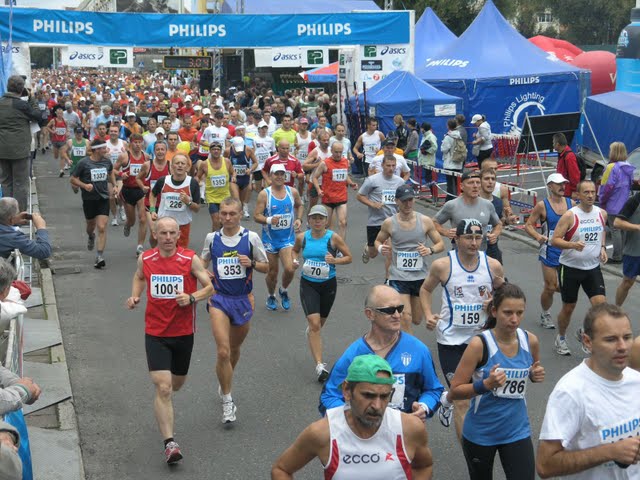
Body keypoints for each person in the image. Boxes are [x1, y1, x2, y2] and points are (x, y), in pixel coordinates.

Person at [126, 216, 213, 465]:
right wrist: (134, 296)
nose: (167, 237)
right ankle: (170, 444)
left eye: (172, 233)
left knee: (176, 384)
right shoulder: (146, 259)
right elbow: (139, 277)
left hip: (183, 332)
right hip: (156, 332)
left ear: (178, 235)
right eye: (162, 233)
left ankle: (165, 403)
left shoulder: (189, 259)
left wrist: (192, 297)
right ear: (155, 234)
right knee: (163, 387)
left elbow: (209, 287)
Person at [274, 354, 433, 479]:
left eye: (384, 396)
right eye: (368, 395)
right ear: (347, 391)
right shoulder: (323, 433)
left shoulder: (409, 428)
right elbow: (281, 470)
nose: (377, 406)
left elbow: (424, 466)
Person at [419, 219, 505, 440]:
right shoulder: (442, 266)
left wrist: (494, 302)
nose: (474, 243)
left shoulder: (493, 265)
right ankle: (470, 451)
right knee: (463, 400)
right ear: (456, 239)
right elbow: (425, 290)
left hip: (482, 341)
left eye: (478, 238)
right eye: (468, 238)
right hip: (451, 341)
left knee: (484, 394)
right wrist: (428, 314)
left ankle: (446, 399)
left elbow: (505, 293)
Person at [449, 283, 545, 480]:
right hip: (481, 433)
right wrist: (485, 385)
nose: (514, 319)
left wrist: (533, 375)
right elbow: (455, 390)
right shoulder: (479, 345)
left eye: (519, 313)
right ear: (494, 311)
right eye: (508, 313)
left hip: (516, 430)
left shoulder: (530, 341)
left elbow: (531, 371)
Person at [537, 303, 640, 479]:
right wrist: (609, 451)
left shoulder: (636, 380)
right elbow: (545, 465)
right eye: (611, 339)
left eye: (627, 337)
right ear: (587, 342)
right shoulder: (570, 392)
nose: (622, 346)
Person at [320, 285, 444, 421]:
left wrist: (424, 407)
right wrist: (347, 418)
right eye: (389, 310)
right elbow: (329, 395)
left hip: (403, 430)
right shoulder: (354, 354)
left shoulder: (418, 350)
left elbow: (433, 389)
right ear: (370, 314)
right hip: (363, 430)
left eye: (400, 309)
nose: (397, 315)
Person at [200, 197, 269, 424]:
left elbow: (266, 267)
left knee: (234, 349)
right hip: (219, 299)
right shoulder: (212, 238)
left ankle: (225, 378)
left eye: (232, 213)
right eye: (224, 213)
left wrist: (252, 263)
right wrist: (203, 274)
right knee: (223, 351)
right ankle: (228, 401)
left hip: (242, 300)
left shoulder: (251, 238)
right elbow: (201, 263)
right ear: (219, 215)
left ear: (240, 215)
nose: (227, 218)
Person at [292, 205, 352, 382]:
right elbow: (294, 250)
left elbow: (349, 257)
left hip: (328, 285)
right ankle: (319, 366)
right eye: (314, 218)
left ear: (326, 221)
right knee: (315, 323)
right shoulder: (302, 237)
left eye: (321, 218)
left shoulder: (333, 238)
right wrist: (294, 260)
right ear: (309, 220)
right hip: (308, 284)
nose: (317, 221)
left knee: (319, 324)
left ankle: (312, 331)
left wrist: (335, 261)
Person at [375, 186, 444, 333]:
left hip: (420, 276)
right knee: (405, 317)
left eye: (410, 200)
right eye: (404, 201)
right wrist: (381, 248)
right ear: (397, 201)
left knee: (417, 319)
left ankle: (403, 338)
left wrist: (429, 250)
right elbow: (378, 240)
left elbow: (440, 244)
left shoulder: (425, 221)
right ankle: (409, 346)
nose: (408, 204)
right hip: (398, 276)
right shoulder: (389, 223)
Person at [550, 180, 607, 356]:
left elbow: (602, 231)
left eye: (593, 192)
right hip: (570, 267)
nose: (590, 195)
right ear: (578, 195)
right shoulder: (570, 215)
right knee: (569, 307)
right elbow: (555, 240)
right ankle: (561, 337)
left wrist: (602, 247)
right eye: (586, 192)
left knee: (600, 307)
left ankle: (584, 332)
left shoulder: (601, 213)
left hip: (592, 268)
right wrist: (572, 245)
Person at [523, 173, 573, 328]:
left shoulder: (571, 203)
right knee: (551, 286)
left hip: (567, 250)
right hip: (549, 249)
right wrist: (538, 236)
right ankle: (545, 314)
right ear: (550, 186)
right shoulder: (542, 205)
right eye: (558, 184)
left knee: (568, 287)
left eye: (564, 184)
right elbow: (528, 225)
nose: (562, 187)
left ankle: (566, 303)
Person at [254, 164, 304, 311]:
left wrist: (299, 219)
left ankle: (283, 290)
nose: (280, 177)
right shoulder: (264, 194)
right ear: (271, 176)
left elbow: (300, 205)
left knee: (290, 268)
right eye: (276, 174)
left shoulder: (292, 192)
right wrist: (269, 220)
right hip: (270, 240)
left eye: (282, 174)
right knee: (272, 273)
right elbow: (256, 216)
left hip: (287, 239)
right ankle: (271, 295)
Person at [70, 139, 119, 269]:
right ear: (97, 149)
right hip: (89, 200)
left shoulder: (107, 161)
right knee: (90, 226)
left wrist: (114, 185)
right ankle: (91, 236)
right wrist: (84, 185)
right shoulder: (83, 163)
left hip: (103, 198)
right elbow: (73, 179)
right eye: (104, 148)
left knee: (102, 227)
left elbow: (111, 173)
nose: (106, 150)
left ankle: (99, 256)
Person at [357, 156, 406, 275]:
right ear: (382, 165)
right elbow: (360, 196)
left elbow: (403, 199)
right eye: (388, 165)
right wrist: (372, 204)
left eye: (393, 166)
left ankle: (389, 279)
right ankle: (367, 248)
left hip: (393, 222)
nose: (391, 168)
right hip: (375, 221)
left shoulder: (400, 182)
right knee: (373, 254)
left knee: (390, 253)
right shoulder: (372, 180)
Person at [433, 170, 502, 254]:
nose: (475, 186)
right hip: (459, 255)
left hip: (482, 254)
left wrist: (494, 235)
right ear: (461, 186)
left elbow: (498, 224)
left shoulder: (488, 205)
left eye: (478, 183)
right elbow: (434, 222)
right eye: (471, 183)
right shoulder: (452, 205)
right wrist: (446, 232)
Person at [150, 154, 201, 249]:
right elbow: (153, 194)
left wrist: (188, 202)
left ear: (187, 167)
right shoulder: (163, 181)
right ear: (172, 166)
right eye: (177, 163)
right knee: (164, 250)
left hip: (182, 225)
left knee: (181, 252)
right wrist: (152, 210)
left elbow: (197, 208)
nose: (180, 165)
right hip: (164, 224)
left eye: (183, 163)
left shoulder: (192, 183)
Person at [311, 141, 358, 240]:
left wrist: (351, 183)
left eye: (340, 152)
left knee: (343, 223)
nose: (338, 154)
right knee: (326, 225)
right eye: (336, 152)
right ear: (331, 151)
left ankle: (341, 246)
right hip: (328, 198)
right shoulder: (325, 163)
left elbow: (345, 175)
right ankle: (325, 243)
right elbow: (314, 177)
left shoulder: (345, 162)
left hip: (341, 197)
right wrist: (318, 189)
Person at [599, 141, 635, 264]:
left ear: (613, 152)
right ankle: (623, 254)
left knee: (615, 229)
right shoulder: (628, 167)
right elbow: (630, 184)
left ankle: (617, 256)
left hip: (613, 203)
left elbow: (606, 187)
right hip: (625, 203)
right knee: (623, 229)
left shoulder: (610, 167)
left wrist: (602, 200)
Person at [114, 133, 149, 254]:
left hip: (141, 190)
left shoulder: (146, 157)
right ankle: (128, 225)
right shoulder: (124, 156)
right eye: (135, 142)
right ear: (130, 143)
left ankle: (140, 246)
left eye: (140, 142)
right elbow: (113, 169)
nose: (138, 145)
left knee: (143, 219)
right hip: (128, 190)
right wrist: (120, 174)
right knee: (132, 221)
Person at [136, 141, 171, 251]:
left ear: (166, 151)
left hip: (165, 204)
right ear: (154, 151)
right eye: (157, 149)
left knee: (163, 230)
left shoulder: (171, 166)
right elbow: (138, 178)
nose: (160, 152)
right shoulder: (147, 165)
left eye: (162, 149)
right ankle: (155, 251)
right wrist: (142, 187)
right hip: (150, 203)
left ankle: (157, 250)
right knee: (154, 230)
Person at [196, 143, 234, 232]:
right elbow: (198, 176)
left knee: (223, 221)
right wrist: (198, 181)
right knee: (216, 221)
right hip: (212, 197)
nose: (216, 151)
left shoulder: (227, 161)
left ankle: (220, 236)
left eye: (218, 149)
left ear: (221, 151)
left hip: (225, 196)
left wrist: (234, 177)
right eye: (214, 149)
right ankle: (215, 238)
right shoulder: (205, 164)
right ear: (210, 151)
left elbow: (233, 172)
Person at [613, 192, 640, 307]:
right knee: (627, 283)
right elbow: (617, 222)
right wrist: (637, 227)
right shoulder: (634, 200)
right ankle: (616, 309)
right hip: (634, 251)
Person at [478, 168, 505, 264]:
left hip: (492, 248)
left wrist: (508, 220)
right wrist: (448, 232)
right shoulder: (472, 200)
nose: (490, 182)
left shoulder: (498, 202)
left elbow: (499, 222)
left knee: (498, 272)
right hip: (475, 249)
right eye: (486, 179)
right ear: (480, 181)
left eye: (493, 179)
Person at [228, 137, 257, 219]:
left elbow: (255, 163)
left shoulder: (248, 150)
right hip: (234, 179)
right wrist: (230, 173)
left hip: (245, 178)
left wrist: (250, 169)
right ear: (233, 146)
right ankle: (236, 217)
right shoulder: (228, 151)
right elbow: (224, 163)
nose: (239, 152)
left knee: (241, 201)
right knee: (236, 199)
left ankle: (244, 208)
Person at [441, 119, 465, 202]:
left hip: (449, 163)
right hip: (458, 162)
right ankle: (459, 199)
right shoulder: (459, 135)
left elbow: (444, 149)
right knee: (457, 183)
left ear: (448, 126)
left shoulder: (448, 137)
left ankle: (450, 200)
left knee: (450, 184)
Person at [553, 133, 581, 199]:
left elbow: (575, 175)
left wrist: (574, 190)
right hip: (563, 191)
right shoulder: (562, 155)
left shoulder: (569, 156)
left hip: (568, 193)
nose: (553, 145)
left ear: (557, 144)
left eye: (553, 143)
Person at [417, 122, 437, 196]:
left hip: (429, 161)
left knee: (429, 179)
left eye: (421, 128)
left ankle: (434, 195)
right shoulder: (425, 136)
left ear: (423, 129)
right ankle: (433, 195)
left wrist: (426, 151)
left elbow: (435, 148)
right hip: (425, 161)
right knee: (428, 179)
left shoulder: (431, 136)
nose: (420, 129)